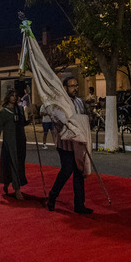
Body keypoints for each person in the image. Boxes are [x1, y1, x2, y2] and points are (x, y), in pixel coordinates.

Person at [46, 77, 93, 215]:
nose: (75, 88)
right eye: (72, 86)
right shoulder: (60, 103)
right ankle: (52, 196)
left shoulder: (79, 102)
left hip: (77, 143)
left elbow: (84, 118)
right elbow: (57, 120)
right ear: (65, 88)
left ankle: (79, 204)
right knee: (66, 170)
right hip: (65, 143)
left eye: (76, 85)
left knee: (79, 172)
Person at [0, 89, 27, 199]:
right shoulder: (3, 112)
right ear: (8, 97)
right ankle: (17, 189)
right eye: (11, 95)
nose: (14, 97)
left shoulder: (20, 109)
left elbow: (22, 123)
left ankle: (7, 182)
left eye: (15, 95)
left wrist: (31, 119)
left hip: (20, 140)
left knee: (19, 163)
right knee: (13, 163)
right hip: (9, 141)